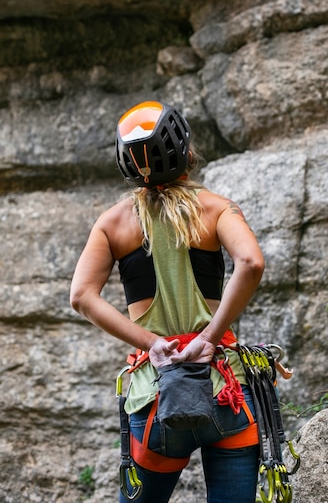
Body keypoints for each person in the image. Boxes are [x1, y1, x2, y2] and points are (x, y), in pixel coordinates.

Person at [70, 100, 265, 503]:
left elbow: (82, 297)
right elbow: (250, 262)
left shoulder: (113, 223)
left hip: (156, 392)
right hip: (223, 387)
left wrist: (152, 344)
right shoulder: (216, 208)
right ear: (185, 151)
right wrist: (210, 336)